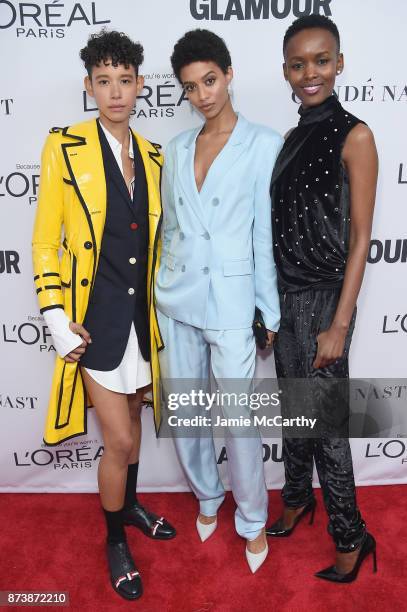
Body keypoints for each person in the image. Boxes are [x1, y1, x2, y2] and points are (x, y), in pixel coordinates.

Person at [32, 30, 175, 601]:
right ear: (89, 87)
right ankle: (114, 537)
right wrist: (52, 314)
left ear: (140, 85)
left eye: (125, 80)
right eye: (104, 81)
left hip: (144, 322)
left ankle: (132, 503)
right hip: (93, 322)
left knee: (135, 426)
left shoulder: (156, 156)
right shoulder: (63, 145)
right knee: (117, 439)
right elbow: (46, 241)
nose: (115, 92)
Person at [155, 29, 282, 573]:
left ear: (228, 75)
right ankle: (207, 495)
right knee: (186, 413)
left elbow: (263, 236)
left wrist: (268, 309)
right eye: (190, 87)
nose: (202, 94)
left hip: (232, 302)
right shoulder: (176, 149)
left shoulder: (264, 143)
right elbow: (172, 229)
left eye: (209, 80)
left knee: (237, 418)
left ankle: (252, 518)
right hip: (176, 296)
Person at [266, 15, 378, 583]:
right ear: (286, 69)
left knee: (329, 430)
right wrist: (270, 307)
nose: (310, 73)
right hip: (285, 300)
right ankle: (294, 498)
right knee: (295, 416)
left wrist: (338, 324)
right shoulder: (289, 139)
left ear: (339, 63)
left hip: (326, 298)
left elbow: (361, 237)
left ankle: (352, 535)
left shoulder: (355, 134)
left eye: (321, 60)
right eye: (298, 63)